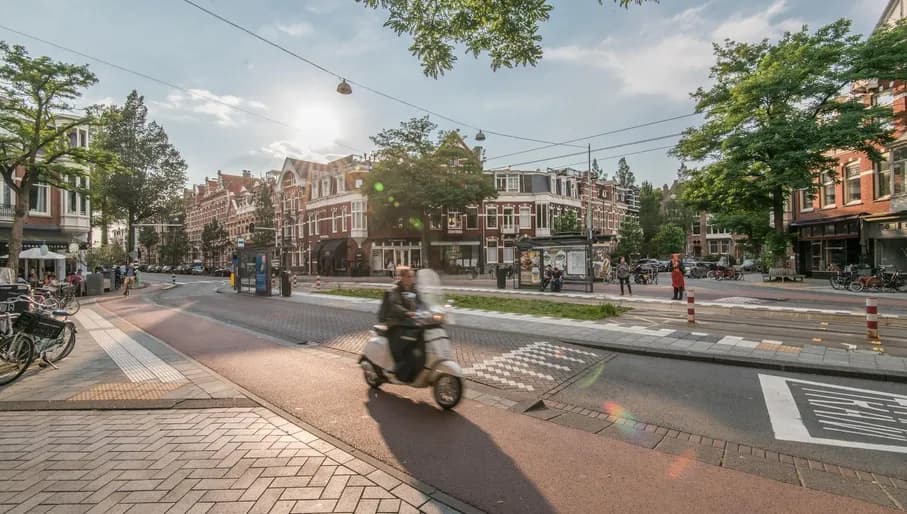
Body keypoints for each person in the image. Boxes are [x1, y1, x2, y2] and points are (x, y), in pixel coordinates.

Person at [377, 267, 425, 382]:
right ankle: (398, 369)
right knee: (404, 342)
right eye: (409, 276)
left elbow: (422, 302)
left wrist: (432, 309)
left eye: (413, 276)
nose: (412, 279)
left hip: (409, 321)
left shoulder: (413, 289)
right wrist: (407, 312)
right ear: (402, 277)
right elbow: (395, 305)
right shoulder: (395, 289)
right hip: (396, 322)